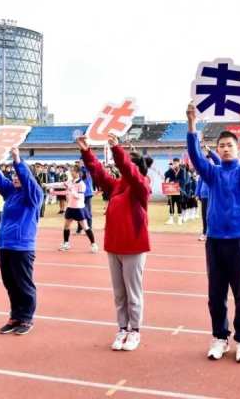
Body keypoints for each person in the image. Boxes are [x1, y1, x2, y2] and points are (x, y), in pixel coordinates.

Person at [186, 102, 240, 363]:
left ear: (237, 148)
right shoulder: (212, 174)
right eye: (221, 146)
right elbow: (196, 157)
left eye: (230, 145)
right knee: (216, 296)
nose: (225, 149)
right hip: (216, 242)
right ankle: (220, 337)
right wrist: (191, 123)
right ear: (217, 150)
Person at [76, 133, 151, 352]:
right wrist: (86, 151)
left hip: (134, 247)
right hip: (114, 246)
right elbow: (98, 173)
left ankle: (135, 330)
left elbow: (129, 170)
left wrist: (118, 150)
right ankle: (122, 328)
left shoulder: (141, 186)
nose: (124, 168)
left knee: (133, 293)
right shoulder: (117, 185)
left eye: (129, 164)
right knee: (119, 293)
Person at [0, 147, 43, 335]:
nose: (15, 177)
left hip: (22, 247)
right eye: (13, 175)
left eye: (18, 175)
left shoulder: (33, 195)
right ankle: (15, 316)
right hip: (4, 245)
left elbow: (27, 180)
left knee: (24, 284)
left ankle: (26, 318)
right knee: (10, 284)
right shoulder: (10, 192)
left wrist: (17, 160)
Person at [49, 164, 98, 253]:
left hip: (79, 208)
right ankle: (66, 243)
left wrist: (72, 190)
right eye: (71, 171)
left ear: (78, 173)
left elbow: (79, 196)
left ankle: (93, 244)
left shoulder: (81, 184)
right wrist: (49, 186)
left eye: (73, 171)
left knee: (85, 227)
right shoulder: (70, 181)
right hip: (70, 207)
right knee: (66, 226)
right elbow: (61, 185)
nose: (71, 172)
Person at [164, 158, 185, 225]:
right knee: (171, 204)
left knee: (179, 204)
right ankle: (171, 219)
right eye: (174, 163)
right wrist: (170, 168)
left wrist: (175, 182)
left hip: (179, 190)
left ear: (179, 163)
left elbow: (182, 180)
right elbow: (165, 175)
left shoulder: (181, 171)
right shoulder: (170, 170)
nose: (175, 164)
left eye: (176, 163)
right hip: (171, 190)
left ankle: (180, 218)